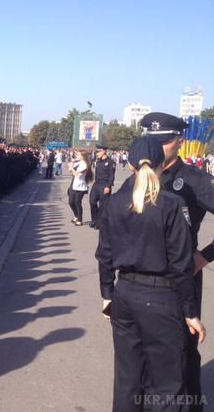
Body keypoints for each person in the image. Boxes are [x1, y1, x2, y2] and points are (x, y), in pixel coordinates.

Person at [96, 135, 206, 412]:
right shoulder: (170, 204)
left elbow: (104, 255)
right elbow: (181, 265)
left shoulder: (115, 202)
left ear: (130, 165)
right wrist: (191, 312)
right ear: (160, 164)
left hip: (124, 295)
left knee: (127, 380)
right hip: (161, 297)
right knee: (167, 386)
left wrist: (107, 294)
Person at [141, 112, 214, 410]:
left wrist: (204, 256)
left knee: (182, 352)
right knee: (144, 352)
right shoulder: (139, 176)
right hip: (141, 282)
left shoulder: (195, 180)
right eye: (152, 141)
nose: (158, 148)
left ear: (179, 141)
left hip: (180, 279)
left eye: (165, 142)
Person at [89, 145, 115, 229]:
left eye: (98, 152)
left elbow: (111, 175)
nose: (96, 154)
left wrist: (108, 186)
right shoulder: (98, 161)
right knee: (92, 202)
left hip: (105, 185)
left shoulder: (110, 162)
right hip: (97, 184)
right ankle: (94, 220)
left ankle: (99, 223)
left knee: (102, 205)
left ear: (103, 151)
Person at [68, 150, 92, 225]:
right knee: (71, 202)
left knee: (77, 203)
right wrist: (70, 166)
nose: (76, 156)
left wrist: (71, 168)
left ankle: (80, 220)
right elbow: (70, 171)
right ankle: (76, 215)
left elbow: (76, 174)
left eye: (78, 155)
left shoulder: (85, 165)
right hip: (73, 184)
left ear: (83, 156)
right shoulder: (78, 163)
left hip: (80, 186)